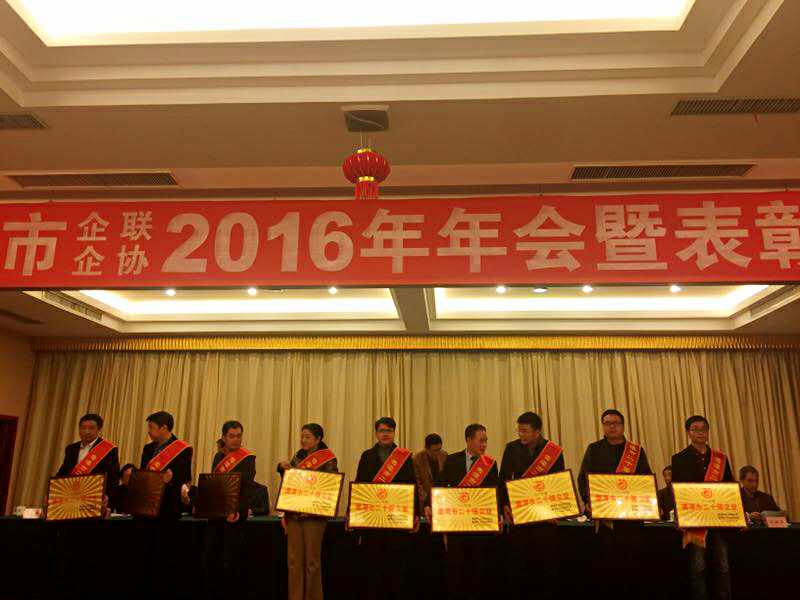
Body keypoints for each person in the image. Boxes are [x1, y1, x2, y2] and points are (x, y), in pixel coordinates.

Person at [578, 409, 653, 600]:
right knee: (607, 568)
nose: (612, 426)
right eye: (608, 423)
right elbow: (583, 479)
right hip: (606, 520)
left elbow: (645, 481)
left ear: (623, 426)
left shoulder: (636, 451)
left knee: (632, 566)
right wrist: (588, 501)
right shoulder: (594, 449)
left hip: (631, 520)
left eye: (616, 423)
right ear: (603, 426)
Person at [118, 411, 193, 598]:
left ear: (164, 428)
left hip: (167, 511)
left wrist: (171, 480)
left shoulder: (183, 449)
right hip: (146, 509)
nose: (149, 431)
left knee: (163, 556)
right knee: (143, 555)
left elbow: (185, 478)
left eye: (151, 427)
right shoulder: (147, 449)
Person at [426, 423, 500, 600]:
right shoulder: (452, 460)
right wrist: (429, 504)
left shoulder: (489, 464)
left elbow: (495, 492)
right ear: (468, 440)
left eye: (486, 441)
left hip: (479, 527)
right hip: (456, 526)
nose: (484, 445)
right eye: (481, 441)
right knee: (456, 569)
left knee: (477, 569)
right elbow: (439, 485)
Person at [184, 420, 256, 600]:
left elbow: (247, 490)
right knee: (210, 558)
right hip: (216, 516)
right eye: (232, 436)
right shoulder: (218, 457)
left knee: (230, 562)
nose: (236, 439)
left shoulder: (247, 458)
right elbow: (215, 485)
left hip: (234, 517)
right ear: (224, 437)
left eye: (239, 436)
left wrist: (236, 510)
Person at [499, 411, 566, 600]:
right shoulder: (511, 448)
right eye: (519, 431)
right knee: (519, 564)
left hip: (545, 518)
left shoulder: (552, 451)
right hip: (520, 515)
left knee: (545, 565)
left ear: (537, 432)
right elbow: (503, 478)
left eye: (525, 431)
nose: (521, 435)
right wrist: (504, 504)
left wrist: (557, 510)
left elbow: (558, 483)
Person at [671, 415, 734, 600]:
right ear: (688, 432)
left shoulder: (720, 459)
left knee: (723, 566)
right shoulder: (679, 458)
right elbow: (678, 490)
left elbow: (729, 488)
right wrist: (681, 517)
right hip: (695, 520)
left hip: (719, 519)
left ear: (708, 432)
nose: (700, 432)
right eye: (695, 429)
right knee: (698, 567)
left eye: (703, 429)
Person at [354, 417, 417, 600]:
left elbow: (412, 484)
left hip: (396, 520)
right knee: (373, 567)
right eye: (382, 430)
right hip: (373, 521)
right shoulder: (367, 455)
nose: (386, 434)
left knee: (396, 567)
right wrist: (353, 513)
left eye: (389, 430)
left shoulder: (404, 457)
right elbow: (359, 484)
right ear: (376, 433)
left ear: (394, 433)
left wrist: (415, 513)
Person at [278, 423, 338, 600]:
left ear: (318, 439)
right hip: (294, 516)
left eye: (307, 437)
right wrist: (283, 469)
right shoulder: (298, 456)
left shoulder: (328, 458)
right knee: (294, 561)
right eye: (302, 436)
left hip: (314, 517)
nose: (303, 440)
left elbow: (329, 486)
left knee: (312, 562)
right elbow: (290, 483)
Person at [56, 413, 120, 501]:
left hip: (95, 497)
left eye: (91, 428)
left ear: (99, 430)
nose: (87, 431)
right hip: (72, 496)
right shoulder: (71, 448)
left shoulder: (108, 450)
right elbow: (64, 471)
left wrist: (107, 496)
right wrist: (53, 490)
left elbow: (113, 477)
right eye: (83, 428)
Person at [412, 433, 447, 508]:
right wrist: (426, 499)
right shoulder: (417, 458)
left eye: (439, 449)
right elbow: (417, 482)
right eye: (434, 451)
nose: (437, 453)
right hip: (424, 496)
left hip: (441, 497)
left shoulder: (444, 455)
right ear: (426, 448)